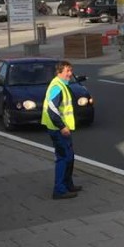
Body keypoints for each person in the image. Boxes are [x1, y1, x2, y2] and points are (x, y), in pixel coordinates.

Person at [41, 60, 82, 199]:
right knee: (63, 158)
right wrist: (62, 126)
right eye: (67, 71)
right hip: (58, 129)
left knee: (69, 157)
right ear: (59, 72)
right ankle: (59, 190)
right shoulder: (57, 86)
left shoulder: (62, 85)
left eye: (71, 70)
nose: (70, 74)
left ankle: (68, 184)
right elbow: (52, 109)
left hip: (62, 129)